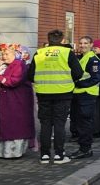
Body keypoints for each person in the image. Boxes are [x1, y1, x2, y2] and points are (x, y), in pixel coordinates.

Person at [28, 29, 82, 165]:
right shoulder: (67, 53)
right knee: (59, 124)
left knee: (45, 124)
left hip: (43, 93)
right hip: (63, 93)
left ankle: (44, 155)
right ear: (62, 40)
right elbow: (78, 73)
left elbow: (30, 75)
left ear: (48, 39)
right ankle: (59, 155)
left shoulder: (39, 53)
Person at [0, 43, 35, 159]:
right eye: (3, 54)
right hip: (4, 100)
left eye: (7, 54)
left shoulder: (19, 65)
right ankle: (0, 151)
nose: (4, 56)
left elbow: (14, 81)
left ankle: (12, 152)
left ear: (15, 54)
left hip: (16, 101)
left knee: (14, 126)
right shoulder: (4, 65)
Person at [69, 36, 100, 159]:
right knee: (79, 122)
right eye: (81, 43)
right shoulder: (81, 58)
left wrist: (79, 84)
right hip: (78, 93)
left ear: (91, 45)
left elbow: (96, 78)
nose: (82, 45)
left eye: (85, 43)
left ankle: (85, 149)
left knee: (85, 123)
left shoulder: (93, 60)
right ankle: (83, 148)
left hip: (87, 94)